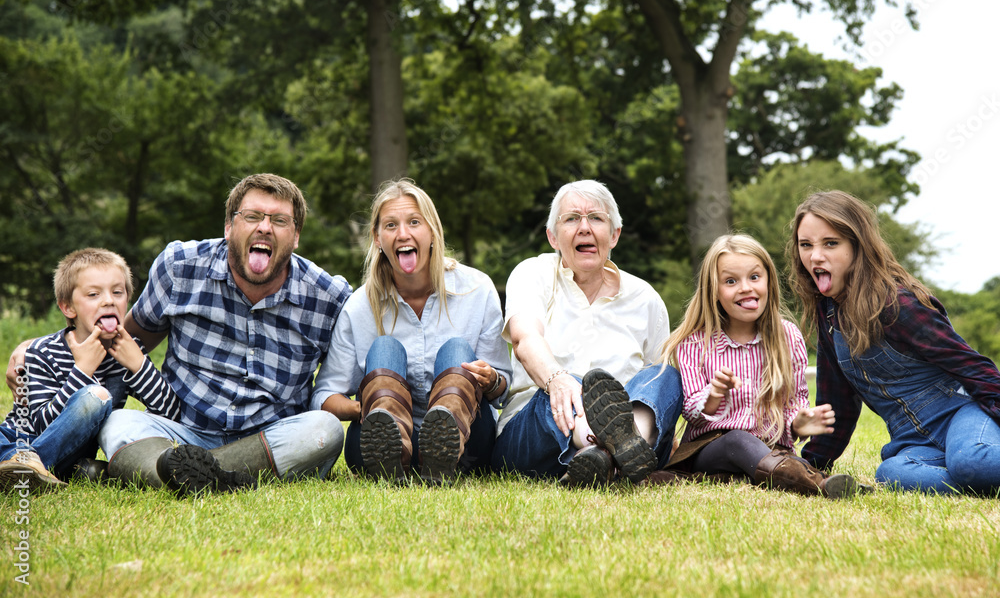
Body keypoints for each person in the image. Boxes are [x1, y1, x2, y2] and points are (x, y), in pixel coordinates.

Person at [83, 173, 353, 495]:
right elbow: (122, 340)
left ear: (295, 236)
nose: (264, 227)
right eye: (252, 216)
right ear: (228, 227)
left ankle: (162, 474)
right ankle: (216, 475)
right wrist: (36, 349)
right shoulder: (179, 267)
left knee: (325, 429)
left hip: (269, 437)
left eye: (280, 220)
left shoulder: (329, 297)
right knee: (117, 423)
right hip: (183, 431)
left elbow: (363, 350)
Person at [790, 190, 1000, 494]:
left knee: (972, 462)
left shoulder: (896, 304)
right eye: (805, 245)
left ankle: (977, 470)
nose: (815, 256)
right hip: (913, 442)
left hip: (963, 416)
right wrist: (812, 467)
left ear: (857, 246)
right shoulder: (828, 313)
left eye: (830, 243)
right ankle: (976, 479)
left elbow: (976, 369)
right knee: (892, 473)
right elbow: (836, 403)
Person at [312, 179, 512, 483]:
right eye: (390, 225)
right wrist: (365, 407)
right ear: (377, 238)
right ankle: (392, 453)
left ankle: (441, 451)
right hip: (378, 449)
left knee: (457, 350)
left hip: (467, 445)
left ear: (432, 231)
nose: (403, 233)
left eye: (414, 222)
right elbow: (324, 396)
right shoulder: (359, 306)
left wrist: (491, 379)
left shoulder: (477, 289)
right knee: (385, 349)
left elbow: (503, 391)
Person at [491, 179, 683, 487]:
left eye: (596, 217)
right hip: (532, 434)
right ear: (553, 237)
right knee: (568, 386)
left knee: (666, 374)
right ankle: (616, 454)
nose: (584, 227)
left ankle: (613, 455)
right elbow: (524, 338)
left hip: (631, 427)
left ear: (615, 235)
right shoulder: (533, 273)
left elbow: (655, 390)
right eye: (571, 218)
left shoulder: (645, 298)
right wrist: (557, 379)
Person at [657, 234, 861, 497]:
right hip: (711, 448)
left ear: (768, 281)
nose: (746, 288)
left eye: (754, 277)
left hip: (772, 449)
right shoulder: (695, 342)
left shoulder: (787, 336)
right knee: (738, 441)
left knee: (763, 451)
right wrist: (714, 394)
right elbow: (691, 413)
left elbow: (795, 401)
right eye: (731, 281)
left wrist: (799, 423)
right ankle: (818, 484)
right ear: (714, 290)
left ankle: (785, 473)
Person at [0, 248, 179, 494]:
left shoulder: (126, 353)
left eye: (118, 292)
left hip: (72, 451)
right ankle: (26, 464)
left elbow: (171, 413)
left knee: (97, 397)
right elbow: (42, 425)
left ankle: (23, 468)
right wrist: (82, 370)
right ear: (68, 308)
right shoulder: (42, 352)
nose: (108, 300)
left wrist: (139, 365)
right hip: (21, 439)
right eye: (93, 294)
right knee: (95, 396)